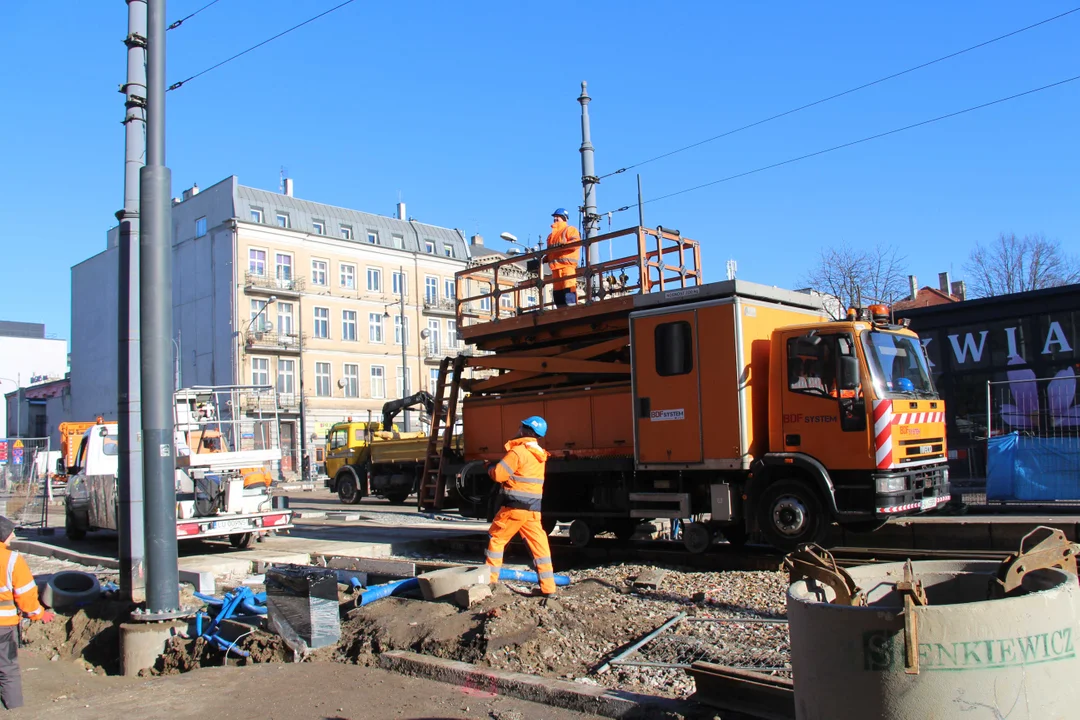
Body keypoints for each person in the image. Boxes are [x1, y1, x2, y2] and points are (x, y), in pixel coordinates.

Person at [484, 416, 557, 596]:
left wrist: (489, 468)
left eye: (521, 426)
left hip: (513, 509)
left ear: (524, 430)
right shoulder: (540, 455)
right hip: (532, 511)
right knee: (540, 547)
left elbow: (499, 475)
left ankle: (488, 582)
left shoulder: (517, 452)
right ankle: (549, 589)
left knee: (497, 539)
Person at [0, 515, 54, 710]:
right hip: (3, 626)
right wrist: (38, 614)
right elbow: (26, 597)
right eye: (10, 532)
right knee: (8, 668)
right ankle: (14, 711)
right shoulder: (12, 560)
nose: (13, 535)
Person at [545, 208, 581, 308]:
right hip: (555, 268)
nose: (555, 218)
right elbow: (550, 251)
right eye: (555, 217)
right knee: (558, 292)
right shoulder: (550, 236)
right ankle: (560, 311)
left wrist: (564, 244)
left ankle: (572, 309)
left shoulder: (569, 230)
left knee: (569, 288)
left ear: (564, 218)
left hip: (567, 267)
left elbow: (576, 244)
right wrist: (545, 258)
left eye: (558, 217)